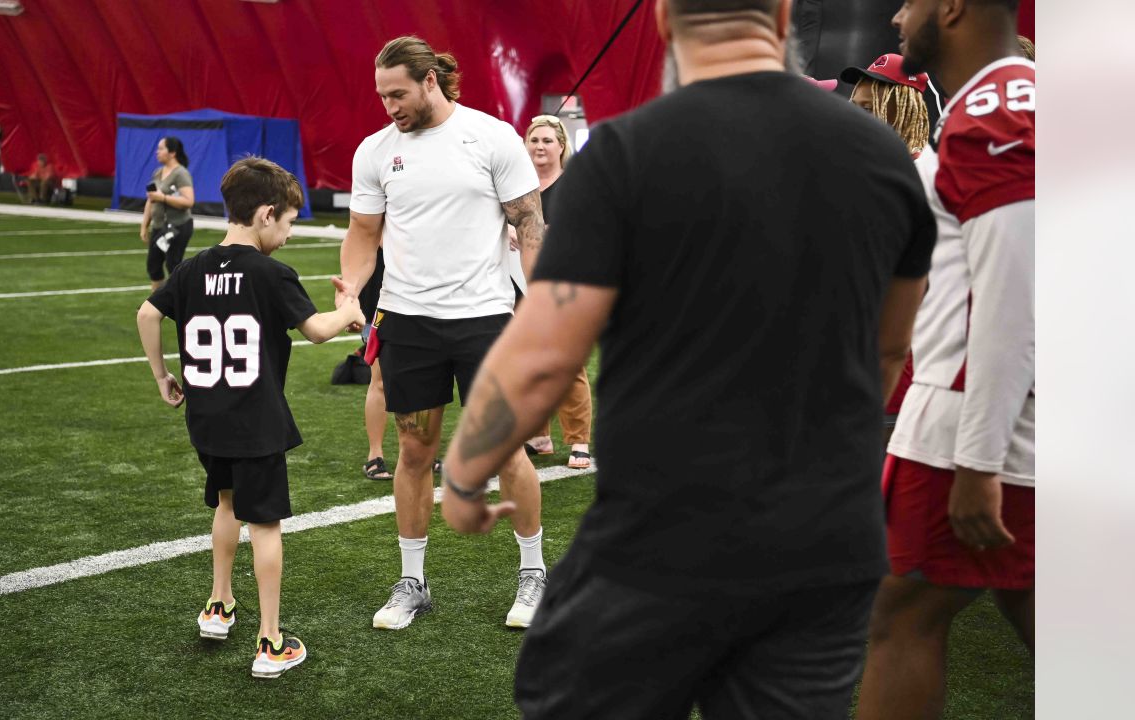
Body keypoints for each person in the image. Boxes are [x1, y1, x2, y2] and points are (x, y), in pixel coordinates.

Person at [438, 0, 937, 716]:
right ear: (785, 15)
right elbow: (889, 349)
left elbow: (543, 355)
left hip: (665, 536)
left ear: (665, 19)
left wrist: (463, 475)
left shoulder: (628, 151)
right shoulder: (886, 156)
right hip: (826, 537)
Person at [335, 35, 549, 630]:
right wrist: (352, 288)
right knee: (414, 452)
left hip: (484, 321)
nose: (389, 107)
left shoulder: (491, 137)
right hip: (407, 323)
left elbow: (529, 221)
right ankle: (412, 583)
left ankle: (533, 574)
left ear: (431, 80)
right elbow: (362, 232)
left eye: (397, 93)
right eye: (381, 96)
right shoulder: (375, 151)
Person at [857, 2, 1035, 718]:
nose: (899, 17)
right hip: (1007, 408)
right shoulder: (1010, 103)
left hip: (974, 418)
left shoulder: (997, 113)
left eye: (912, 1)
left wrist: (978, 462)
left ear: (953, 6)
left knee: (901, 617)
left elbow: (1009, 298)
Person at [137, 157, 363, 678]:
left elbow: (148, 313)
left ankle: (218, 605)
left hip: (208, 418)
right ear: (265, 214)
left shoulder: (192, 268)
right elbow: (317, 331)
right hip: (255, 421)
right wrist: (350, 310)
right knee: (264, 526)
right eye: (286, 223)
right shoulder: (270, 272)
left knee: (225, 503)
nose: (287, 235)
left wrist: (161, 376)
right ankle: (271, 641)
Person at [840, 53, 934, 443]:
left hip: (898, 377)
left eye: (868, 107)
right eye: (855, 106)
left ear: (901, 108)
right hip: (867, 365)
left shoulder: (918, 176)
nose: (857, 117)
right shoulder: (878, 169)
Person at [518, 115, 593, 470]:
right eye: (534, 140)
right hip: (520, 284)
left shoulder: (576, 186)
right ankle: (539, 434)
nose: (539, 147)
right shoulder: (518, 187)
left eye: (547, 140)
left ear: (561, 146)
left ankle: (579, 440)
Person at [140, 136, 196, 291]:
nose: (157, 152)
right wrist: (144, 225)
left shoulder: (181, 174)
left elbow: (189, 201)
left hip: (177, 226)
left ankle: (184, 300)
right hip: (160, 226)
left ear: (172, 153)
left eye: (161, 148)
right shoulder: (158, 173)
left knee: (173, 264)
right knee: (154, 264)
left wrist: (163, 197)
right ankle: (156, 303)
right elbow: (150, 200)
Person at [359, 245, 393, 480]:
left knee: (423, 380)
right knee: (380, 380)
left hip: (424, 297)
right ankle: (375, 454)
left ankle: (426, 452)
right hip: (380, 296)